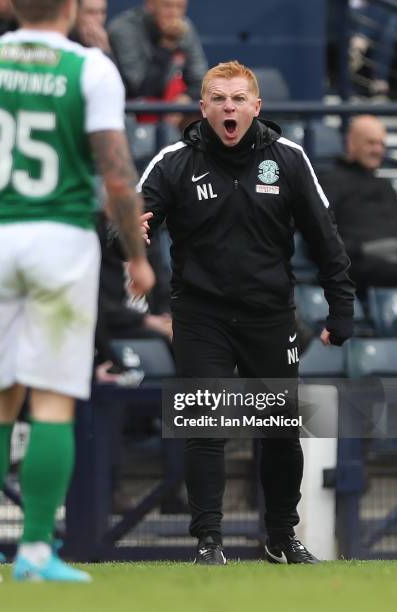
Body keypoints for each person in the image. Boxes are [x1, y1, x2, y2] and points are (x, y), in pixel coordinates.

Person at [0, 0, 154, 583]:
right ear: (73, 7)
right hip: (60, 241)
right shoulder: (90, 68)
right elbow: (117, 176)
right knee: (52, 401)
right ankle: (32, 550)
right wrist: (136, 255)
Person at [133, 60, 355, 565]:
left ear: (257, 107)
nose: (228, 107)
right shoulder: (173, 160)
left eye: (238, 99)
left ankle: (281, 536)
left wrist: (341, 308)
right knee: (205, 423)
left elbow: (326, 238)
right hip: (201, 315)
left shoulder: (290, 159)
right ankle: (209, 542)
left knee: (280, 429)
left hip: (270, 315)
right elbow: (134, 215)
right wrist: (128, 234)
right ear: (203, 107)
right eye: (218, 98)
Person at [321, 115, 397, 296]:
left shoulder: (386, 186)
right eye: (371, 143)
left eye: (381, 144)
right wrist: (364, 250)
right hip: (361, 265)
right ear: (351, 144)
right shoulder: (330, 183)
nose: (378, 150)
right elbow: (321, 236)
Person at [108, 0, 207, 127]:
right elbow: (141, 90)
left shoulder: (185, 26)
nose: (174, 13)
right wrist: (167, 45)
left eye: (180, 7)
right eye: (167, 6)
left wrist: (186, 97)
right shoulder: (123, 29)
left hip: (171, 115)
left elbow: (202, 81)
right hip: (130, 117)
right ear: (150, 5)